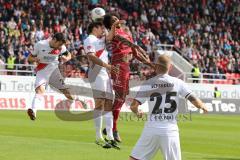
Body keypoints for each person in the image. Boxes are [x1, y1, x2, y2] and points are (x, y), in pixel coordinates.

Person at [129, 55, 208, 160]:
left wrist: (138, 113)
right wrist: (202, 106)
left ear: (156, 66)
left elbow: (133, 106)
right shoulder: (178, 83)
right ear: (170, 67)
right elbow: (195, 101)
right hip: (170, 131)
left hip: (151, 129)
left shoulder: (148, 83)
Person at [103, 14, 152, 142]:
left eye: (116, 19)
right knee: (120, 98)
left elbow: (135, 54)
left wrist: (149, 63)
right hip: (118, 67)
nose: (116, 20)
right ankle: (113, 129)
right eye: (113, 20)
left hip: (126, 67)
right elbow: (109, 39)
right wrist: (113, 27)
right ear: (109, 24)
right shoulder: (112, 34)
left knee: (122, 97)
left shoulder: (126, 33)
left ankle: (110, 126)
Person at [83, 21, 119, 149]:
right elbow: (91, 57)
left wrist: (114, 25)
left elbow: (110, 36)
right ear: (95, 28)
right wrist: (107, 66)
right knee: (100, 103)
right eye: (101, 28)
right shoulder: (89, 40)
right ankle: (98, 136)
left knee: (109, 103)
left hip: (105, 74)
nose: (103, 30)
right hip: (96, 72)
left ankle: (110, 135)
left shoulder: (101, 39)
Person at [27, 32, 73, 120]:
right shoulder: (40, 45)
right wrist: (35, 59)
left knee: (67, 93)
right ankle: (33, 111)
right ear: (54, 40)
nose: (60, 46)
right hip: (42, 71)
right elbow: (29, 58)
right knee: (40, 91)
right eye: (59, 44)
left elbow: (69, 55)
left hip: (54, 72)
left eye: (62, 45)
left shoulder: (62, 47)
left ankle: (77, 99)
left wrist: (66, 58)